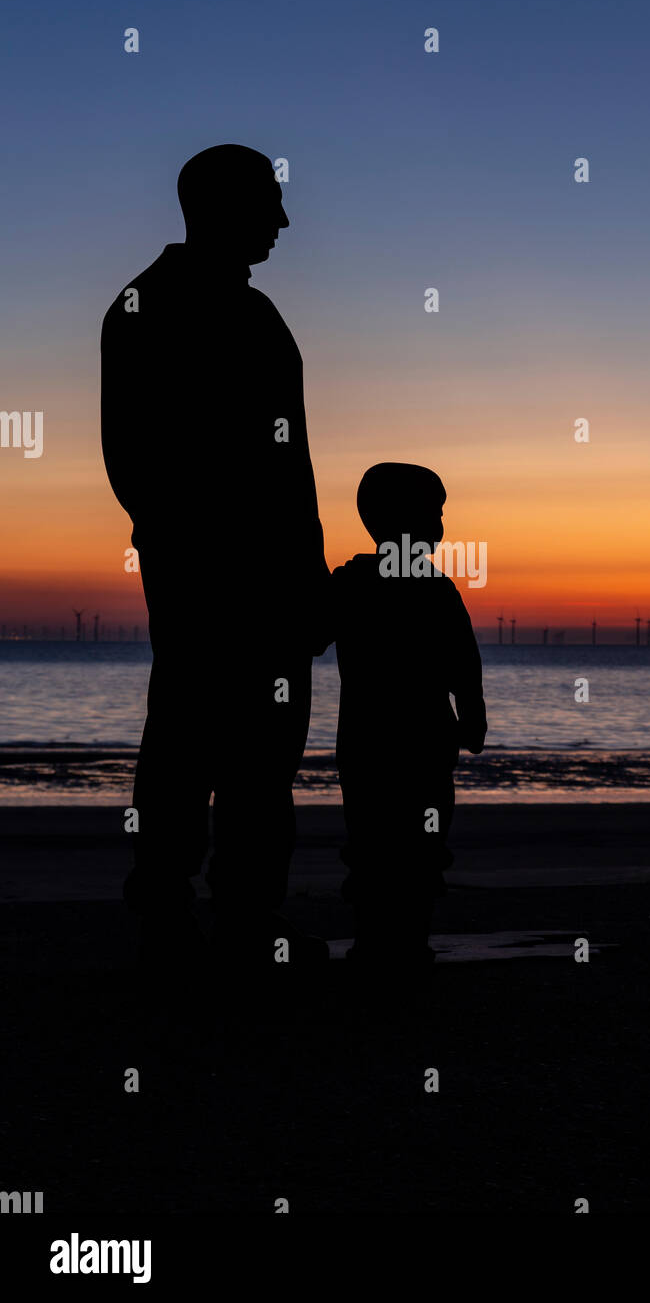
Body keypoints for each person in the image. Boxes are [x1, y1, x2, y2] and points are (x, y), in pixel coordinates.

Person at [100, 144, 329, 972]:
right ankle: (174, 907)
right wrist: (198, 542)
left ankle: (240, 911)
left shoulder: (254, 315)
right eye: (269, 202)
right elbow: (134, 456)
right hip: (209, 572)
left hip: (262, 574)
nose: (283, 220)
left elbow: (291, 464)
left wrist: (306, 569)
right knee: (194, 741)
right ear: (220, 205)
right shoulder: (150, 305)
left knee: (259, 753)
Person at [327, 462, 487, 978]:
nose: (440, 530)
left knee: (381, 842)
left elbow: (464, 659)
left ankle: (386, 942)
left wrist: (472, 712)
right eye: (433, 515)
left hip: (374, 738)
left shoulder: (354, 584)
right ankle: (395, 941)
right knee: (406, 843)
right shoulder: (430, 589)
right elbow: (465, 661)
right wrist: (472, 714)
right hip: (413, 738)